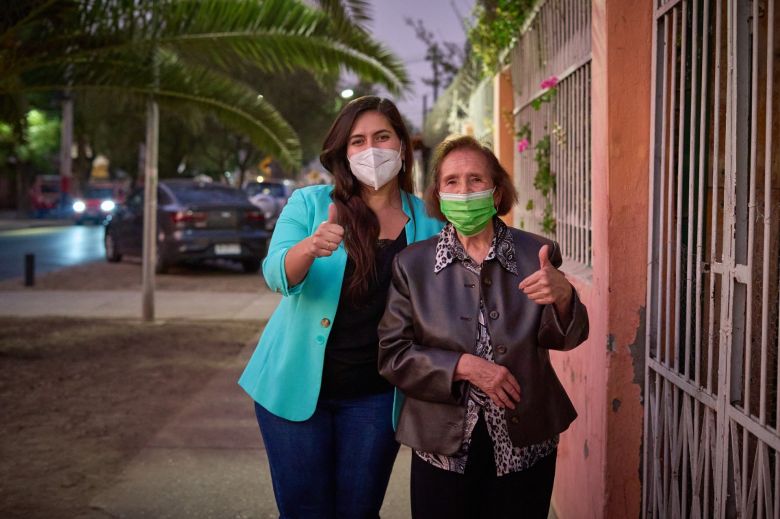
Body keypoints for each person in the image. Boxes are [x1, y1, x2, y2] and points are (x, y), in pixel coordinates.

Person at [238, 96, 443, 518]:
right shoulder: (309, 203)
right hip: (294, 387)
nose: (371, 149)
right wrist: (310, 247)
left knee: (358, 510)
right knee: (304, 510)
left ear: (401, 146)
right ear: (343, 152)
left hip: (374, 396)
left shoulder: (428, 220)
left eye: (382, 137)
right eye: (358, 140)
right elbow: (276, 274)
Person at [378, 135, 589, 518]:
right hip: (441, 444)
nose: (464, 190)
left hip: (525, 442)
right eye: (452, 182)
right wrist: (464, 366)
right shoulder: (413, 265)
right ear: (438, 195)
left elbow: (566, 338)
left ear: (496, 192)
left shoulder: (535, 253)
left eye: (475, 179)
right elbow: (393, 355)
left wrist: (563, 297)